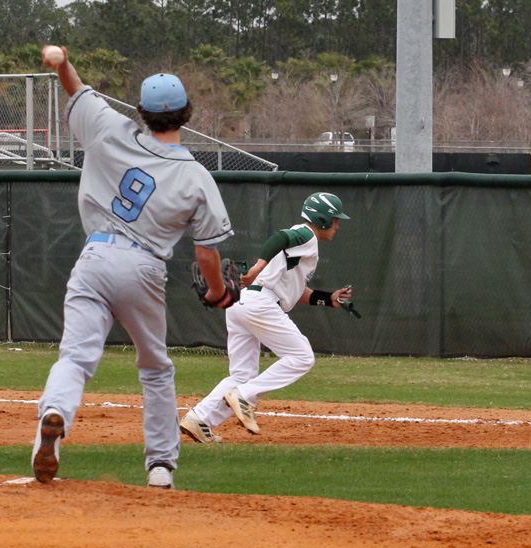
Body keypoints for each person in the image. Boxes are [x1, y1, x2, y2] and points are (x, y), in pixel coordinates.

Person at [31, 46, 235, 489]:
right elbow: (205, 255)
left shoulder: (109, 128)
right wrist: (218, 293)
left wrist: (62, 60)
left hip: (95, 256)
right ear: (187, 113)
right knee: (156, 369)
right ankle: (160, 467)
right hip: (143, 268)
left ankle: (55, 415)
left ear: (141, 112)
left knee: (76, 357)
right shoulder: (197, 175)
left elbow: (76, 88)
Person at [179, 192, 351, 441]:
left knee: (241, 375)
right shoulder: (307, 235)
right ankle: (244, 395)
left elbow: (294, 289)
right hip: (260, 302)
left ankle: (199, 419)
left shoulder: (300, 244)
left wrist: (328, 298)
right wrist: (258, 266)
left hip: (243, 301)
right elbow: (279, 237)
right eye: (335, 219)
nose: (337, 225)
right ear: (322, 220)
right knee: (302, 356)